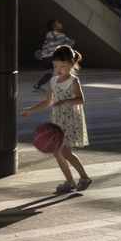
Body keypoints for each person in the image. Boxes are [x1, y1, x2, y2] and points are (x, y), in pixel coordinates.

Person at [21, 45, 92, 193]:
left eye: (62, 65)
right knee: (56, 152)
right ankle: (70, 182)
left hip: (71, 120)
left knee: (65, 152)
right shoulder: (53, 81)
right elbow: (47, 102)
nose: (58, 68)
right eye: (55, 65)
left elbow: (80, 99)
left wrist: (65, 102)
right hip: (58, 120)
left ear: (72, 64)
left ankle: (84, 177)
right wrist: (31, 110)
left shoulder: (73, 80)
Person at [33, 19, 75, 92]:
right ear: (54, 27)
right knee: (64, 70)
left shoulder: (48, 35)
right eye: (58, 23)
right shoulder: (60, 35)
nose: (61, 24)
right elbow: (71, 42)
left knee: (50, 72)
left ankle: (37, 86)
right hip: (54, 57)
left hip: (45, 58)